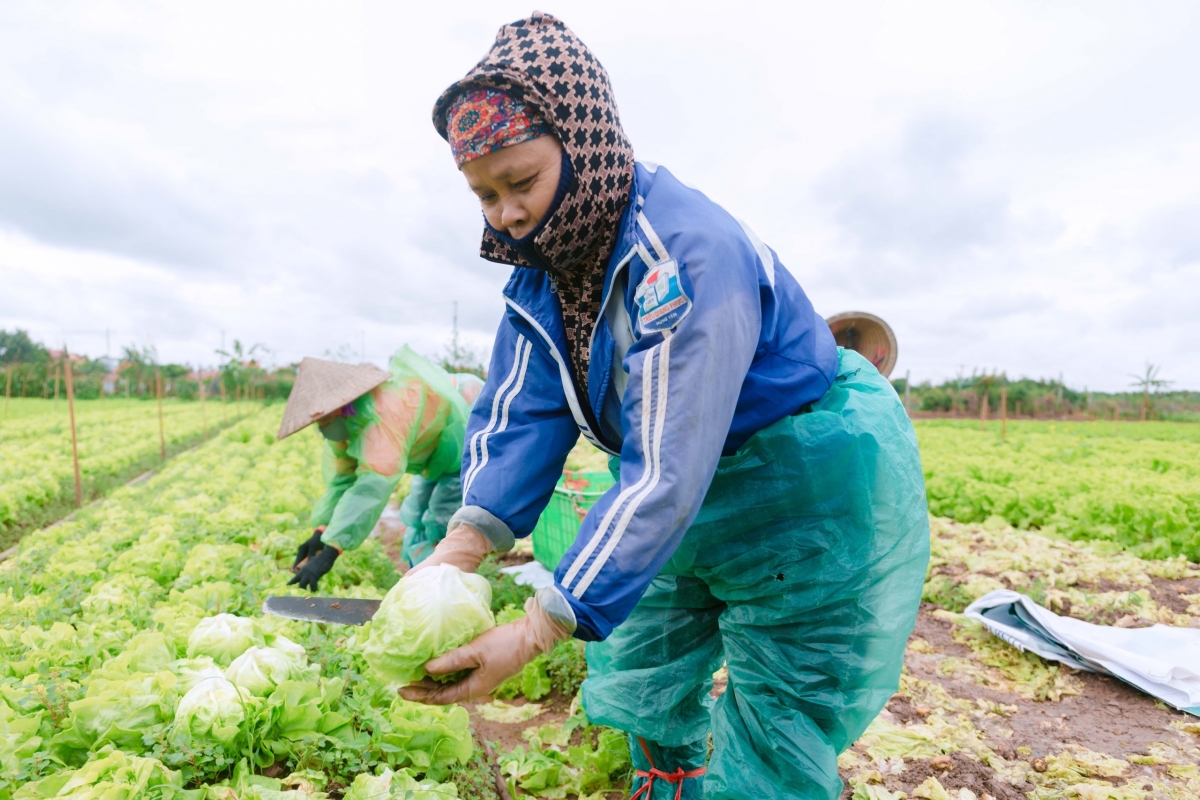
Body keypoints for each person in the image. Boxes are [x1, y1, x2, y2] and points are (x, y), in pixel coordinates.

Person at [399, 14, 930, 800]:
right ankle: (670, 780)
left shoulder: (681, 252)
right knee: (646, 652)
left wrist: (539, 628)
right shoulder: (544, 276)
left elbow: (668, 459)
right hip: (690, 490)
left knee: (779, 712)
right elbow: (520, 412)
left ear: (584, 144)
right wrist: (462, 546)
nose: (506, 214)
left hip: (804, 484)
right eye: (485, 194)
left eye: (522, 182)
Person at [277, 346, 483, 590]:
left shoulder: (384, 410)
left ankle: (447, 586)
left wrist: (331, 550)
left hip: (467, 424)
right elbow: (343, 481)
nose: (322, 427)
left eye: (324, 420)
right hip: (435, 454)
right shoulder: (346, 428)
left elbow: (371, 487)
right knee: (415, 514)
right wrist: (320, 531)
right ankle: (423, 581)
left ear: (342, 407)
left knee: (441, 518)